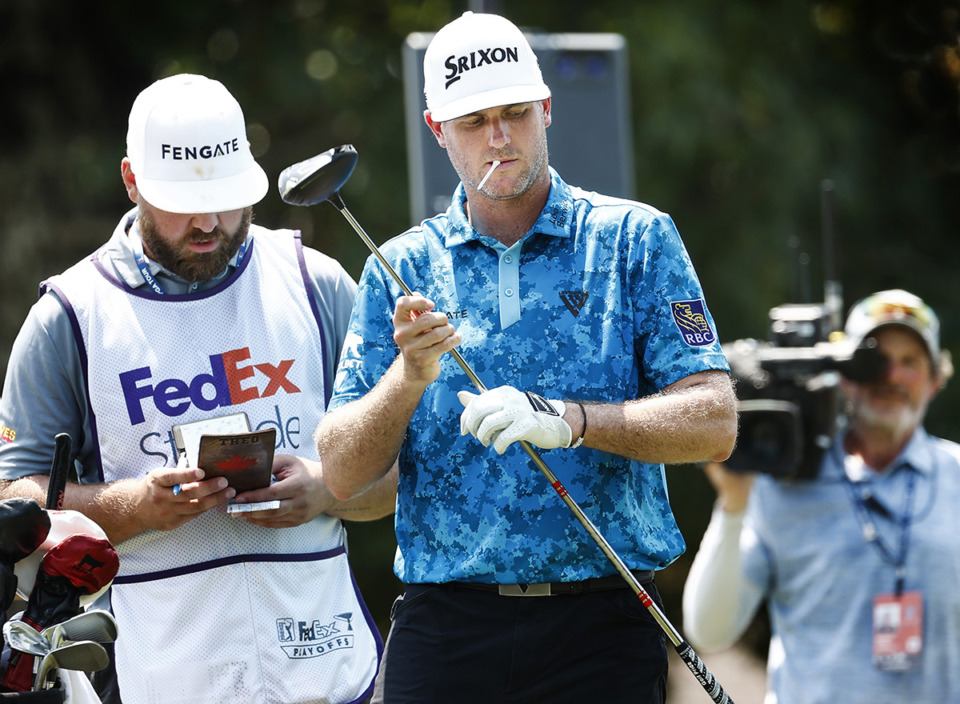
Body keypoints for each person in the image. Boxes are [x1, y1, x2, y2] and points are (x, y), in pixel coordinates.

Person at [315, 12, 737, 704]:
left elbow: (715, 421)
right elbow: (341, 471)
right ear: (437, 131)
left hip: (600, 620)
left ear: (546, 109)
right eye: (475, 122)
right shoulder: (401, 265)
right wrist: (408, 377)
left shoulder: (634, 240)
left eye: (515, 113)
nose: (500, 137)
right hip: (447, 625)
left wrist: (571, 420)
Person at [0, 73, 396, 703]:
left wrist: (328, 488)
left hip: (331, 672)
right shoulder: (69, 315)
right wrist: (135, 508)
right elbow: (15, 501)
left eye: (228, 195)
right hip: (159, 675)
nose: (209, 220)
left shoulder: (316, 283)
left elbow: (409, 477)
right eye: (183, 199)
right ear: (131, 180)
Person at [682, 289, 960, 704]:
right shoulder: (783, 481)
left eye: (910, 363)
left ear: (936, 380)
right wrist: (734, 502)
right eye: (874, 361)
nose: (892, 376)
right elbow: (708, 630)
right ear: (843, 373)